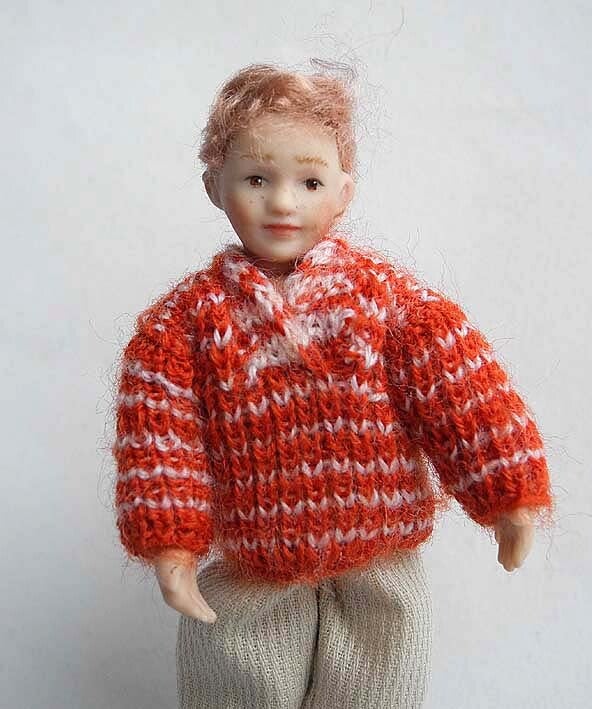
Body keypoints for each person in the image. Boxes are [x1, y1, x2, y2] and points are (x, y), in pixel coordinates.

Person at [113, 63, 552, 709]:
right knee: (236, 688)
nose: (283, 203)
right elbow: (162, 438)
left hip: (380, 568)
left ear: (343, 192)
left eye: (310, 181)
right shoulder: (182, 327)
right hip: (254, 572)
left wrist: (506, 492)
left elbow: (458, 391)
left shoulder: (387, 303)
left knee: (376, 692)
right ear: (214, 184)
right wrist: (171, 541)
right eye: (257, 179)